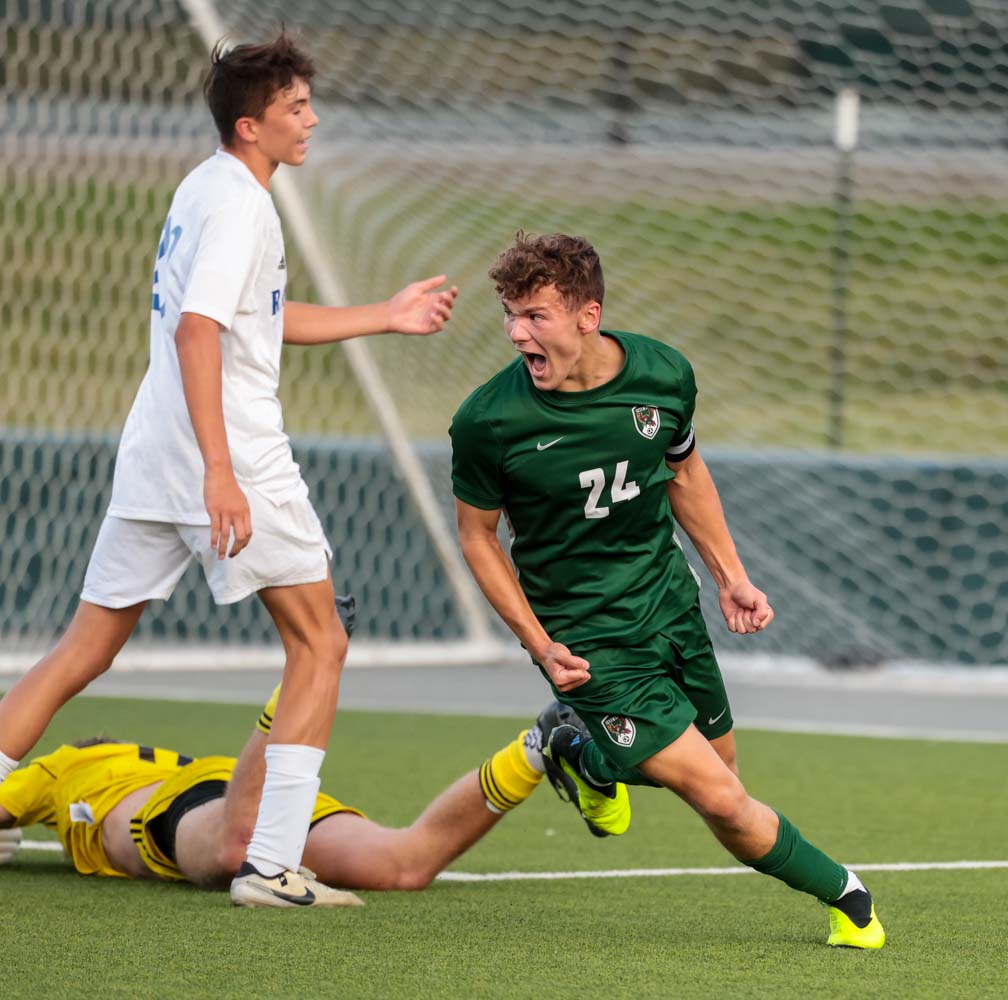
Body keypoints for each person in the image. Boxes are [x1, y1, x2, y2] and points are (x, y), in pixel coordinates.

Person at [0, 32, 459, 908]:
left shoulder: (205, 186)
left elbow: (255, 320)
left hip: (152, 456)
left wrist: (385, 315)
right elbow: (198, 330)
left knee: (83, 649)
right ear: (251, 125)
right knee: (319, 642)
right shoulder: (243, 206)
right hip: (230, 455)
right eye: (296, 108)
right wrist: (220, 471)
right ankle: (273, 865)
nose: (311, 120)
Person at [449, 232, 885, 949]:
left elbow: (683, 472)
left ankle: (580, 753)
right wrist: (538, 643)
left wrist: (731, 578)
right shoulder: (489, 421)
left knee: (722, 769)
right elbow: (477, 537)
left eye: (535, 316)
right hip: (588, 644)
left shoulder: (663, 375)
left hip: (670, 607)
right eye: (510, 315)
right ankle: (849, 896)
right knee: (725, 800)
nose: (516, 333)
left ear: (588, 316)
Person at [0, 686, 570, 895]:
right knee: (404, 866)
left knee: (235, 852)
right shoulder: (150, 757)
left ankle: (293, 687)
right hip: (240, 785)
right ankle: (535, 749)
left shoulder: (63, 765)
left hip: (183, 805)